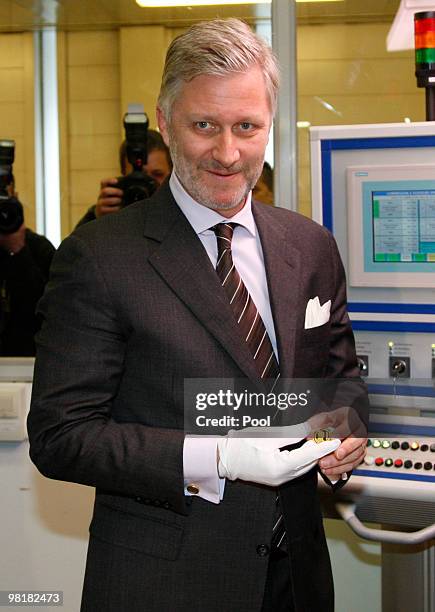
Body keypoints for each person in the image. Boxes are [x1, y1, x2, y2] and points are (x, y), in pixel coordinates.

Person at [28, 19, 368, 612]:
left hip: (298, 580)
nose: (227, 153)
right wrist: (219, 455)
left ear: (271, 126)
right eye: (204, 125)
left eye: (247, 127)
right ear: (164, 121)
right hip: (164, 583)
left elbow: (341, 382)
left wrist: (338, 438)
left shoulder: (310, 246)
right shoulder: (101, 258)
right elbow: (61, 436)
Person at [0, 181, 55, 356]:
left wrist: (18, 250)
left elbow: (49, 313)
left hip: (27, 364)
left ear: (14, 199)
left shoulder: (38, 248)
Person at [75, 129, 172, 227]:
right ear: (123, 175)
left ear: (172, 173)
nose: (147, 182)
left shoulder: (180, 210)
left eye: (157, 174)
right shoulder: (113, 210)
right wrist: (98, 219)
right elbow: (75, 241)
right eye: (139, 176)